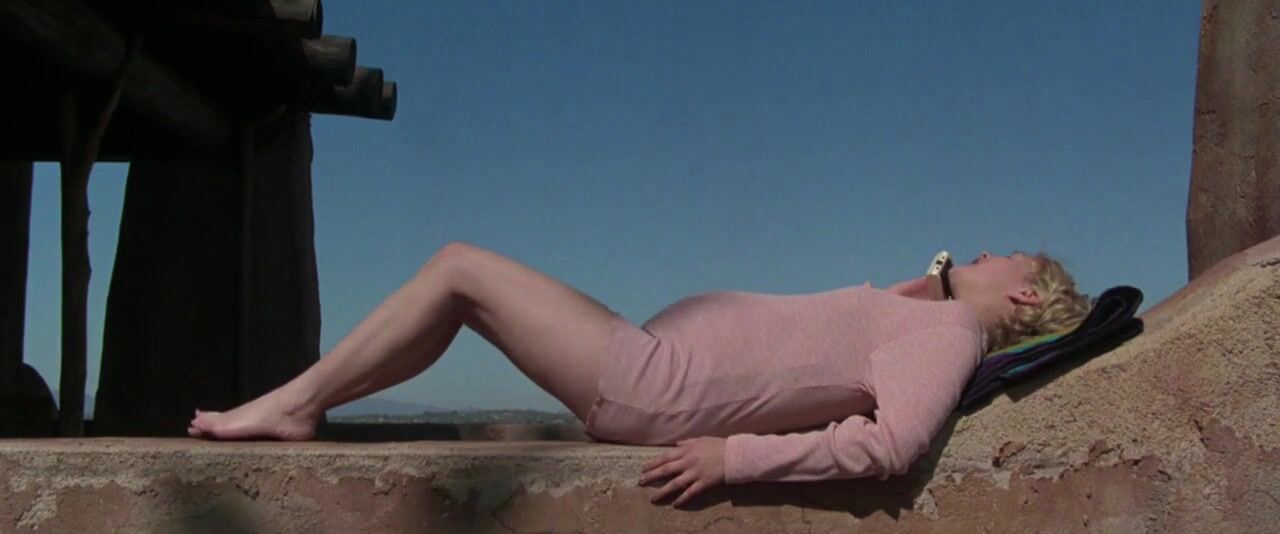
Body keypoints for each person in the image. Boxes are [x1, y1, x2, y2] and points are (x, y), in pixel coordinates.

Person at [188, 241, 1090, 506]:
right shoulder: (932, 318)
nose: (981, 250)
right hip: (652, 364)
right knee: (462, 292)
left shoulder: (950, 336)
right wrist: (923, 285)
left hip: (658, 385)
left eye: (1002, 256)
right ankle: (304, 401)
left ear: (1022, 295)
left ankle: (292, 404)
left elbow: (893, 445)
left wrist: (734, 460)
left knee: (460, 271)